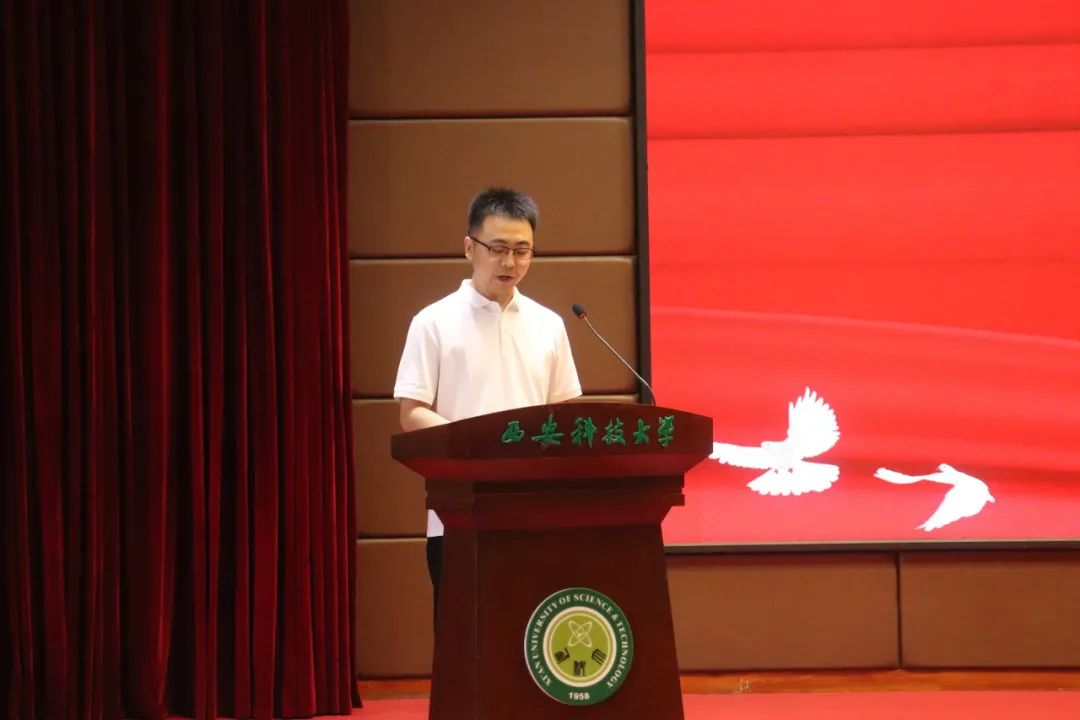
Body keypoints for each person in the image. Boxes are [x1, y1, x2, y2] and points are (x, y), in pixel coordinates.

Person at [393, 187, 582, 616]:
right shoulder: (433, 322)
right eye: (498, 249)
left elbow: (566, 413)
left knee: (534, 634)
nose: (510, 263)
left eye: (522, 251)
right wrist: (482, 442)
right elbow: (412, 413)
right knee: (465, 634)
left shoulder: (549, 325)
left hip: (535, 512)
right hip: (458, 512)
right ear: (469, 247)